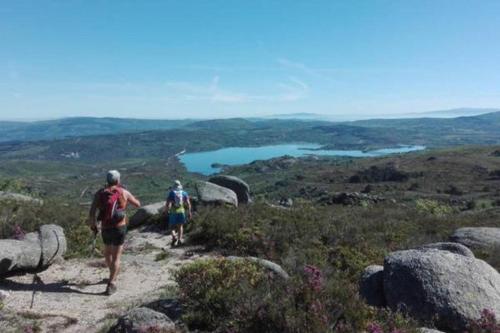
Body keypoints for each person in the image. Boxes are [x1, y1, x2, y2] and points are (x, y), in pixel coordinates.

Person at [88, 170, 140, 295]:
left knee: (107, 253)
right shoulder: (123, 192)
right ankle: (111, 283)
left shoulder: (100, 193)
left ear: (107, 180)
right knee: (117, 257)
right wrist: (126, 201)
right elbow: (138, 204)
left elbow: (92, 212)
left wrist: (93, 225)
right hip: (119, 227)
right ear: (118, 180)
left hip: (106, 228)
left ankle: (112, 274)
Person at [166, 180, 192, 246]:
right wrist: (189, 212)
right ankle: (180, 240)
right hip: (181, 211)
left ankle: (174, 236)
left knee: (172, 226)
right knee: (180, 226)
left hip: (173, 211)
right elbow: (188, 203)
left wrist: (167, 210)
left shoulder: (171, 193)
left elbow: (168, 203)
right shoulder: (184, 193)